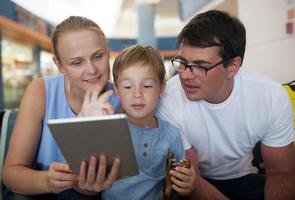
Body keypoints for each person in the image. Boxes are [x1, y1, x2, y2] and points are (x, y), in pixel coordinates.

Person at [157, 10, 295, 200]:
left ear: (232, 67)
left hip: (245, 178)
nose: (185, 75)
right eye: (183, 62)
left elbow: (281, 173)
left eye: (201, 66)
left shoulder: (271, 97)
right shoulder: (168, 99)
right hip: (195, 181)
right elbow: (192, 179)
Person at [2, 16, 121, 200]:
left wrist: (86, 188)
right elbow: (11, 174)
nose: (92, 70)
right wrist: (48, 182)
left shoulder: (123, 98)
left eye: (98, 56)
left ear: (108, 51)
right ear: (59, 65)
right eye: (77, 62)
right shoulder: (40, 91)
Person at [79, 44, 196, 199]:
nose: (137, 94)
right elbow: (86, 174)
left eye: (147, 86)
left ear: (161, 89)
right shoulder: (108, 130)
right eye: (127, 86)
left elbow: (181, 179)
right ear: (117, 91)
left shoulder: (171, 134)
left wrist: (189, 185)